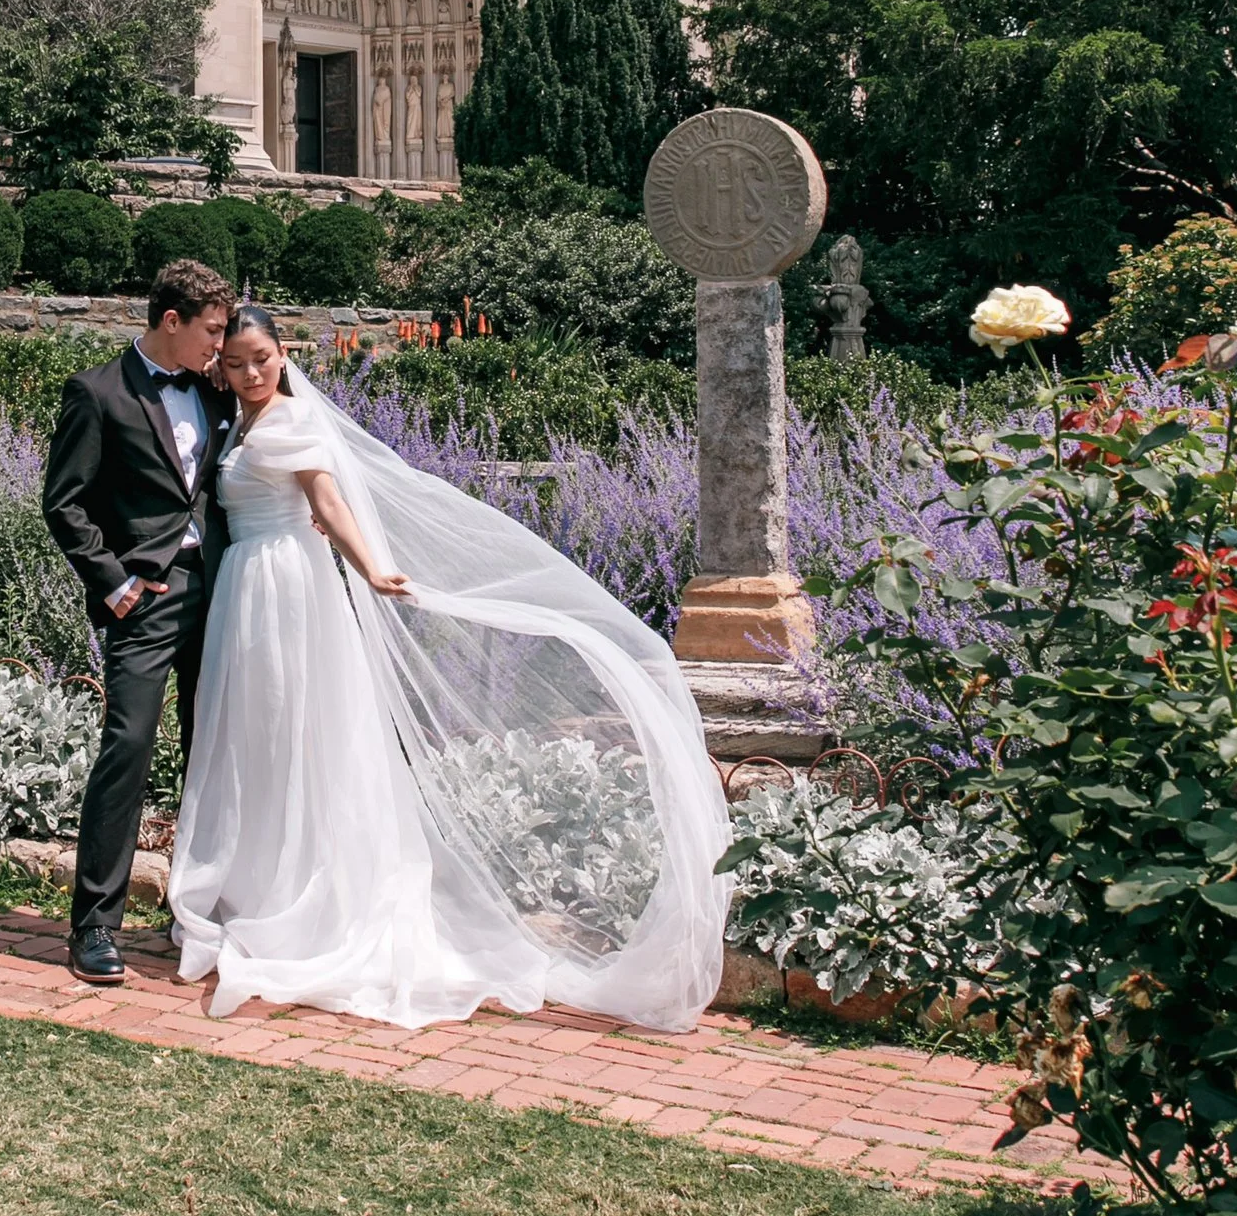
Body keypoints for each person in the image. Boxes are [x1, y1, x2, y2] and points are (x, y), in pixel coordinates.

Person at [168, 309, 732, 1031]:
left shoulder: (293, 421)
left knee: (298, 735)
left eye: (262, 359)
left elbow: (329, 502)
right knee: (252, 741)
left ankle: (308, 899)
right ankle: (253, 890)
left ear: (284, 355)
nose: (251, 374)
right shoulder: (233, 421)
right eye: (238, 362)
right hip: (242, 591)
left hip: (289, 591)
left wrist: (373, 565)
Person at [40, 259, 238, 984]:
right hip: (146, 597)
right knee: (127, 745)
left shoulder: (217, 393)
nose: (219, 346)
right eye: (211, 331)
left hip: (221, 590)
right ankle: (94, 925)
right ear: (171, 321)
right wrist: (115, 582)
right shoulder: (97, 392)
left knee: (211, 753)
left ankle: (198, 911)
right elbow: (64, 502)